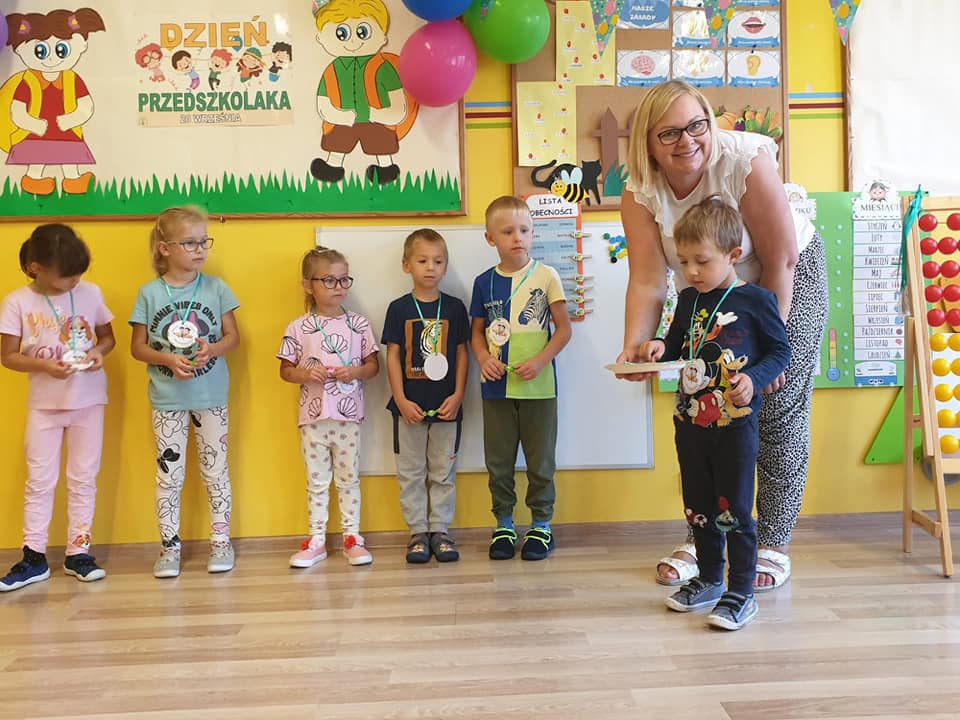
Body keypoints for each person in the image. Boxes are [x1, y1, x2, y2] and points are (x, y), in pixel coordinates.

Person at [618, 79, 828, 591]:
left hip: (786, 278)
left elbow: (781, 260)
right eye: (669, 132)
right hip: (708, 293)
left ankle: (771, 543)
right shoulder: (640, 191)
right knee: (705, 412)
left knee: (773, 406)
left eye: (697, 125)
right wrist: (634, 347)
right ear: (648, 143)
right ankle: (707, 538)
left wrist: (768, 355)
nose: (687, 140)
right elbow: (647, 279)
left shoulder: (744, 161)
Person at [636, 197, 791, 630]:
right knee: (698, 506)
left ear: (733, 255)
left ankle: (741, 591)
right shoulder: (687, 300)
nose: (691, 271)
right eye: (684, 261)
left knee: (735, 508)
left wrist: (754, 379)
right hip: (689, 423)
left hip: (735, 427)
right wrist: (658, 347)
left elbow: (780, 352)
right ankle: (708, 579)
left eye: (701, 261)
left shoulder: (758, 300)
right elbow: (675, 345)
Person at [0, 224, 115, 591]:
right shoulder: (17, 302)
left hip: (89, 402)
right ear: (36, 268)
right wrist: (44, 366)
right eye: (67, 275)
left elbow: (108, 337)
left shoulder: (90, 293)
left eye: (79, 273)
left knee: (84, 478)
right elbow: (8, 356)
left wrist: (98, 353)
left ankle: (78, 552)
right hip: (44, 407)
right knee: (40, 480)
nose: (74, 281)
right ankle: (33, 556)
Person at [130, 206, 241, 578]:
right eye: (190, 243)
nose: (200, 249)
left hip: (210, 397)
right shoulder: (149, 293)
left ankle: (221, 542)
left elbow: (233, 337)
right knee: (168, 477)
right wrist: (167, 358)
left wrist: (214, 349)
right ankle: (169, 548)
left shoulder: (216, 288)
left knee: (216, 472)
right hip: (168, 399)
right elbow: (137, 348)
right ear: (165, 248)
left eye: (204, 242)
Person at [470, 196, 572, 561]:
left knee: (540, 461)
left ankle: (541, 525)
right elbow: (476, 332)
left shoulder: (547, 276)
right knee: (498, 462)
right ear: (490, 238)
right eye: (508, 231)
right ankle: (504, 524)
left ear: (533, 233)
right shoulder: (484, 283)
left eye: (525, 230)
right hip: (496, 388)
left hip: (539, 388)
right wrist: (484, 359)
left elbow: (563, 330)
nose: (518, 238)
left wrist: (541, 361)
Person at [278, 247, 380, 568]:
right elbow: (285, 371)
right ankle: (317, 539)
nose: (338, 287)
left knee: (349, 479)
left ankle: (352, 538)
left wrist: (356, 372)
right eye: (329, 280)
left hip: (348, 418)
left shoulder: (358, 324)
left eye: (343, 279)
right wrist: (306, 374)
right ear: (308, 285)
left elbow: (373, 366)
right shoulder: (297, 327)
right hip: (313, 419)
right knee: (317, 482)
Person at [382, 229, 470, 564]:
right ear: (407, 265)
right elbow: (392, 356)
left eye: (438, 261)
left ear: (446, 266)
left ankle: (440, 531)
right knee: (411, 472)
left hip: (447, 406)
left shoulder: (455, 307)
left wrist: (458, 395)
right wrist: (401, 400)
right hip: (408, 409)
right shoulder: (398, 308)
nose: (430, 267)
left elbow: (462, 353)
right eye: (422, 261)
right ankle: (418, 532)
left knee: (443, 472)